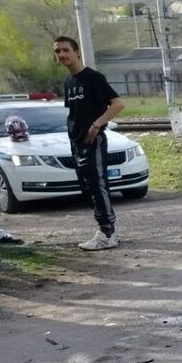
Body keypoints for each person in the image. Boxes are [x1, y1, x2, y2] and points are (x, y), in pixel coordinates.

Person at [52, 36, 124, 251]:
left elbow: (118, 104)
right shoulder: (69, 82)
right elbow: (75, 113)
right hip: (77, 142)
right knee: (88, 188)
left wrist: (96, 125)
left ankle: (107, 233)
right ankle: (104, 229)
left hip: (93, 141)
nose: (62, 55)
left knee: (98, 185)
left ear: (76, 52)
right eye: (58, 51)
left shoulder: (93, 78)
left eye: (66, 50)